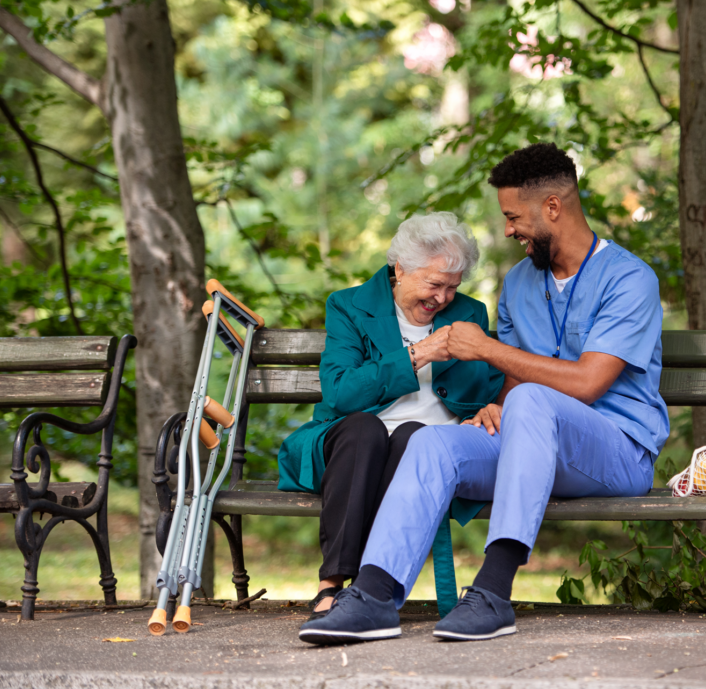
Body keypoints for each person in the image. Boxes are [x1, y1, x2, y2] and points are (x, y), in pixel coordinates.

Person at [298, 142, 668, 645]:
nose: (509, 230)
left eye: (513, 217)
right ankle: (374, 595)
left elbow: (587, 383)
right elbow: (514, 382)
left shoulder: (630, 278)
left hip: (616, 452)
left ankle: (493, 590)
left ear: (552, 207)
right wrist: (496, 406)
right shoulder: (519, 283)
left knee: (532, 399)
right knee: (431, 441)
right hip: (533, 441)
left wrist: (489, 352)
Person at [277, 212, 503, 622]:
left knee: (414, 436)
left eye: (452, 287)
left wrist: (492, 404)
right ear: (400, 270)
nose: (443, 298)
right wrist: (419, 354)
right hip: (348, 445)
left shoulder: (470, 313)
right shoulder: (349, 306)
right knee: (367, 430)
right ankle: (332, 583)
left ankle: (368, 589)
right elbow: (342, 393)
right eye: (434, 284)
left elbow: (490, 383)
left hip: (426, 449)